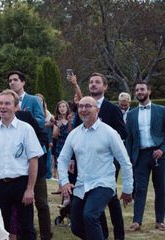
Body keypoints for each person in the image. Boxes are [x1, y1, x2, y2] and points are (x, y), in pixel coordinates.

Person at [57, 96, 133, 240]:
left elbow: (125, 162)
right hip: (81, 185)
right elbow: (62, 159)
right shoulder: (74, 134)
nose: (83, 110)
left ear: (97, 110)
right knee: (76, 227)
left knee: (90, 216)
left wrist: (128, 189)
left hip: (103, 183)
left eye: (88, 106)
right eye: (80, 106)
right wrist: (64, 181)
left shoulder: (109, 133)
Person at [0, 89, 44, 240]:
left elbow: (33, 160)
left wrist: (30, 189)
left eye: (7, 103)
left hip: (21, 184)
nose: (3, 106)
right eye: (0, 103)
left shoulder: (26, 129)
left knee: (26, 228)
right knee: (0, 227)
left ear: (16, 107)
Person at [72, 72, 127, 240]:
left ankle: (119, 235)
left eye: (97, 82)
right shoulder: (82, 107)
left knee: (111, 202)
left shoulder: (112, 109)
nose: (93, 85)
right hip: (85, 162)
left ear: (105, 87)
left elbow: (123, 132)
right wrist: (73, 158)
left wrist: (101, 133)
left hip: (107, 161)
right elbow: (75, 134)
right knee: (92, 204)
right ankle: (100, 233)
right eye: (91, 82)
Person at [125, 81, 165, 232]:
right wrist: (128, 158)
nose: (139, 92)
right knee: (139, 189)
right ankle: (137, 221)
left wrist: (162, 149)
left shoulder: (162, 110)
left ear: (149, 91)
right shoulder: (131, 114)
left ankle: (160, 221)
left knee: (161, 188)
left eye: (142, 89)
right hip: (140, 156)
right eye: (137, 90)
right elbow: (129, 139)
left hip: (159, 154)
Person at [52, 100, 72, 180]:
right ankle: (60, 186)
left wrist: (69, 122)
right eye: (60, 107)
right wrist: (59, 127)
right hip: (60, 145)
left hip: (69, 144)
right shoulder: (57, 121)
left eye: (63, 106)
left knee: (69, 165)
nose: (61, 108)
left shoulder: (71, 119)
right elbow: (54, 135)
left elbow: (71, 133)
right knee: (60, 164)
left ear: (67, 108)